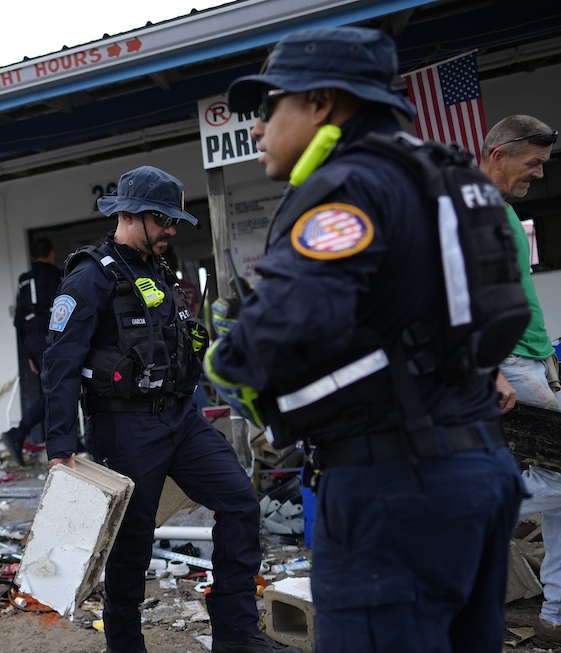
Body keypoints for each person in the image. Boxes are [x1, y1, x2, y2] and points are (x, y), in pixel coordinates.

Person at [206, 27, 523, 651]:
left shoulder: (349, 188)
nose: (258, 129)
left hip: (396, 487)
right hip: (481, 469)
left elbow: (270, 340)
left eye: (271, 107)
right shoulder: (454, 177)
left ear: (322, 102)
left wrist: (229, 351)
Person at [41, 165, 296, 653]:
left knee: (241, 501)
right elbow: (59, 363)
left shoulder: (159, 269)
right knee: (131, 547)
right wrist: (60, 446)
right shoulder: (91, 277)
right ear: (132, 214)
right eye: (165, 220)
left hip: (181, 419)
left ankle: (236, 633)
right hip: (124, 427)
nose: (173, 231)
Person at [479, 115, 561, 643]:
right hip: (505, 361)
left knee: (557, 476)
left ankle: (556, 615)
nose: (539, 174)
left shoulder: (502, 211)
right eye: (532, 163)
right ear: (499, 154)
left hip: (530, 358)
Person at [2, 237, 63, 465]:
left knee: (52, 389)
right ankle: (19, 433)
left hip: (32, 340)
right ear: (51, 252)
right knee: (55, 390)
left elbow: (19, 320)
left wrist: (28, 353)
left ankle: (61, 440)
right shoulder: (57, 275)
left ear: (31, 256)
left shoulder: (23, 281)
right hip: (51, 338)